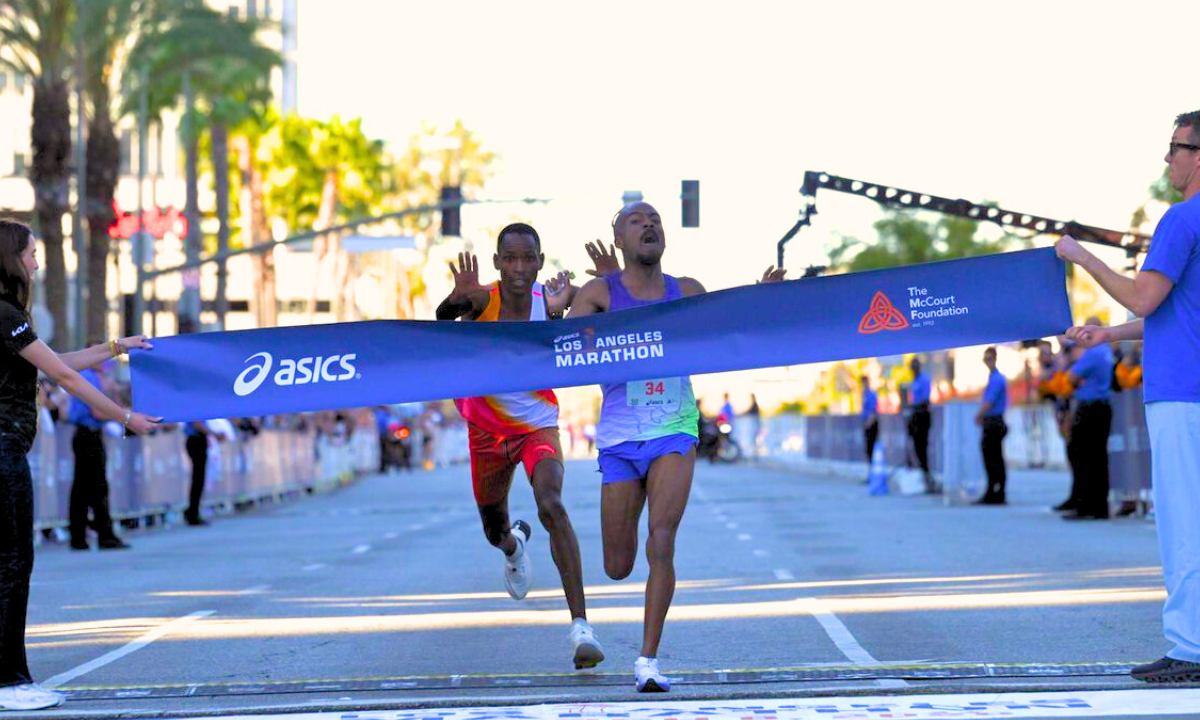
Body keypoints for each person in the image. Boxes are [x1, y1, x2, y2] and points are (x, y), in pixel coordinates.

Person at [568, 201, 785, 691]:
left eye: (656, 220)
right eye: (636, 221)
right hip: (621, 439)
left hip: (674, 429)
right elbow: (563, 347)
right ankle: (640, 640)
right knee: (618, 565)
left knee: (661, 540)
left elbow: (728, 319)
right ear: (620, 240)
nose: (650, 224)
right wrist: (573, 304)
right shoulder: (600, 293)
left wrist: (763, 298)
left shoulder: (686, 291)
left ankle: (648, 660)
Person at [1055, 110, 1200, 683]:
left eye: (1176, 147)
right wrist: (1108, 334)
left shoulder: (1182, 219)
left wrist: (1083, 257)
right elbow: (1172, 312)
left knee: (1186, 524)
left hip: (1183, 395)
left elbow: (1143, 298)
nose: (1167, 158)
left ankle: (1191, 649)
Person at [0, 219, 158, 711]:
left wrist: (116, 348)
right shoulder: (5, 314)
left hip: (7, 448)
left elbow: (57, 359)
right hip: (2, 450)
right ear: (11, 258)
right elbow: (63, 374)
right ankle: (9, 684)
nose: (37, 261)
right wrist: (125, 416)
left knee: (7, 564)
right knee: (11, 564)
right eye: (30, 252)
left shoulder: (8, 317)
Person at [435, 222, 607, 670]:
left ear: (538, 261)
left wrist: (555, 317)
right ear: (497, 262)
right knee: (494, 531)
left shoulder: (546, 305)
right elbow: (442, 319)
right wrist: (456, 299)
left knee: (552, 504)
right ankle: (514, 547)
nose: (517, 267)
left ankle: (581, 628)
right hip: (486, 434)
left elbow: (577, 339)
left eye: (526, 258)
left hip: (536, 427)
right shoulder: (482, 299)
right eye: (508, 258)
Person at [66, 362, 131, 550]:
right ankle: (104, 535)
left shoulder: (92, 377)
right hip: (89, 434)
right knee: (97, 487)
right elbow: (98, 411)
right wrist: (125, 416)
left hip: (88, 434)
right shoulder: (89, 378)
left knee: (82, 489)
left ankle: (79, 537)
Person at [1062, 319, 1114, 521]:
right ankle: (1099, 505)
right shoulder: (1106, 351)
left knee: (1082, 455)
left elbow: (1072, 377)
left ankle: (1085, 505)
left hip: (1090, 407)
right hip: (1102, 406)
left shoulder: (1093, 352)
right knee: (1098, 457)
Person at [973, 347, 1008, 505]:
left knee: (994, 458)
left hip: (994, 421)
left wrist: (980, 414)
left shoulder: (996, 379)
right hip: (991, 421)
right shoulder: (992, 378)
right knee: (991, 458)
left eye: (990, 359)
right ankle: (993, 490)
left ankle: (996, 491)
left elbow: (990, 401)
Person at [906, 357, 935, 493]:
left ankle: (928, 477)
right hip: (915, 414)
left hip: (922, 415)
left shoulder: (924, 379)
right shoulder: (914, 381)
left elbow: (925, 399)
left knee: (922, 447)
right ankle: (923, 476)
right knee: (916, 447)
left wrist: (917, 410)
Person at [183, 421, 212, 526]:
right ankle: (193, 512)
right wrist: (212, 433)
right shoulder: (195, 408)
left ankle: (193, 510)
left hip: (199, 438)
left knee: (199, 480)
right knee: (198, 479)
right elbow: (196, 423)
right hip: (196, 439)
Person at [860, 375, 879, 481]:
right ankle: (870, 473)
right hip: (866, 424)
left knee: (871, 449)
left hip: (871, 425)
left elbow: (873, 411)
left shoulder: (871, 394)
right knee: (868, 450)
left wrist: (868, 423)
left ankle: (873, 475)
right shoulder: (864, 394)